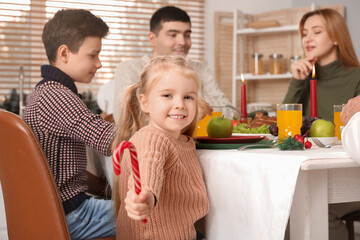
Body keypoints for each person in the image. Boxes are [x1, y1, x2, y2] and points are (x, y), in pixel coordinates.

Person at [22, 9, 116, 240]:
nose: (100, 63)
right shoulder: (56, 96)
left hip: (64, 210)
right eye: (93, 55)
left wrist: (107, 191)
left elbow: (66, 173)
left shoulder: (46, 92)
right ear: (64, 52)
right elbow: (110, 140)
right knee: (167, 213)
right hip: (72, 215)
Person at [112, 55, 209, 239]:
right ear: (144, 102)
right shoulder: (152, 138)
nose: (180, 104)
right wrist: (146, 196)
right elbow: (149, 167)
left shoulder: (182, 140)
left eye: (188, 97)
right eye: (167, 95)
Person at [110, 5, 234, 122]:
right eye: (173, 35)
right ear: (153, 39)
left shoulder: (200, 69)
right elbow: (126, 118)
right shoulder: (130, 69)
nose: (182, 42)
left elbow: (228, 112)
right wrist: (193, 107)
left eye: (187, 35)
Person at [283, 8, 360, 122]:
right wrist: (296, 81)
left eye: (317, 32)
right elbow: (283, 124)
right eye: (304, 34)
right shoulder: (304, 79)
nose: (307, 39)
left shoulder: (356, 77)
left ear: (336, 37)